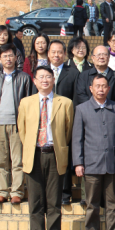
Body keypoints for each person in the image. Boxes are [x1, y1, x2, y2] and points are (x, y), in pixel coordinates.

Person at [18, 66, 74, 230]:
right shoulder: (26, 102)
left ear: (53, 80)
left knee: (53, 201)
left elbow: (67, 131)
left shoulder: (65, 103)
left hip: (54, 154)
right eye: (41, 77)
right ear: (34, 81)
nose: (45, 80)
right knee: (35, 201)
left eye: (48, 76)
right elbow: (22, 130)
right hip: (34, 155)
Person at [73, 74, 115, 230]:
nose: (101, 89)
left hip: (112, 164)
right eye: (97, 86)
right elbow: (77, 138)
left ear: (108, 89)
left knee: (113, 204)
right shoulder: (82, 109)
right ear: (91, 88)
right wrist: (78, 162)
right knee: (92, 204)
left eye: (104, 86)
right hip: (91, 164)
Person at [0, 43, 32, 205]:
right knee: (1, 161)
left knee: (18, 160)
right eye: (4, 56)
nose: (8, 59)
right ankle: (2, 192)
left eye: (11, 55)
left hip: (17, 125)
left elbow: (29, 103)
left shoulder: (24, 78)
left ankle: (17, 192)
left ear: (16, 57)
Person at [45, 40, 80, 206]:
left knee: (63, 156)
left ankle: (65, 193)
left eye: (60, 52)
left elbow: (76, 98)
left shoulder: (72, 72)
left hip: (65, 121)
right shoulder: (43, 73)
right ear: (48, 54)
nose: (56, 55)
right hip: (45, 120)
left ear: (65, 54)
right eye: (53, 52)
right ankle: (49, 192)